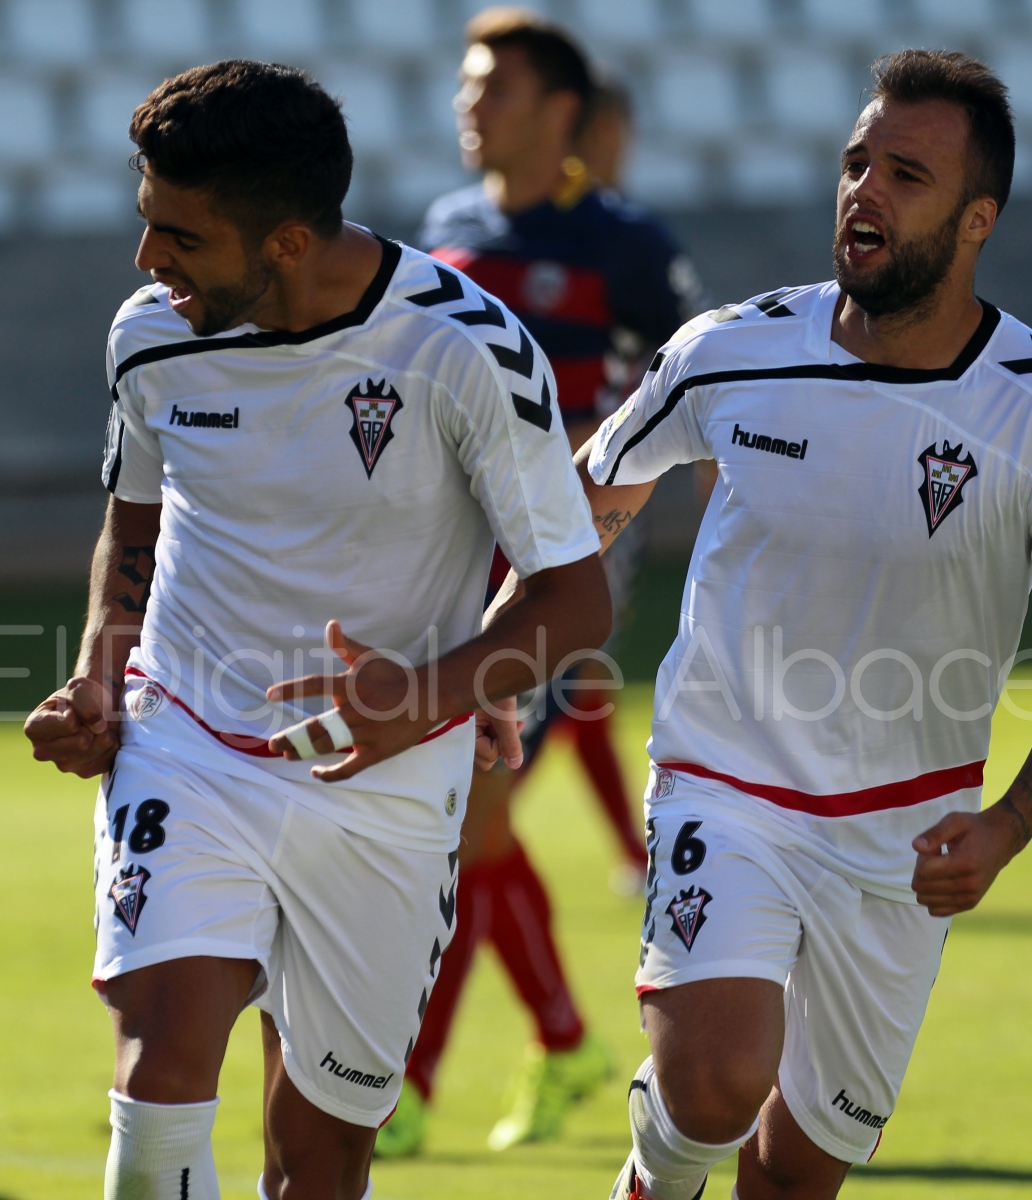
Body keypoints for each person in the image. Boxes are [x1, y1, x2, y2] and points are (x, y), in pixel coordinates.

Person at [555, 49, 1032, 1200]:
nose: (864, 192)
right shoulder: (730, 351)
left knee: (793, 1182)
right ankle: (667, 1146)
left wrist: (1010, 826)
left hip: (904, 842)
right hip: (726, 782)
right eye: (855, 163)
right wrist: (496, 667)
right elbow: (588, 499)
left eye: (906, 174)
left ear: (978, 218)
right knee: (719, 1084)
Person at [22, 60, 610, 1200]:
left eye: (180, 238)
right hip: (186, 738)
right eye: (149, 225)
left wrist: (431, 694)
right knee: (160, 1084)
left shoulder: (466, 350)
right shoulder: (152, 334)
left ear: (287, 242)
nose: (149, 263)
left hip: (386, 784)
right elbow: (133, 525)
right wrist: (101, 669)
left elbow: (573, 598)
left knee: (322, 1156)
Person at [374, 9, 701, 1158]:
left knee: (475, 817)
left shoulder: (624, 242)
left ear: (562, 110)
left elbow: (692, 402)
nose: (472, 104)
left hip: (560, 572)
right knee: (462, 821)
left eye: (495, 87)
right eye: (468, 86)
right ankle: (559, 1053)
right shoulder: (444, 229)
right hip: (451, 561)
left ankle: (412, 1084)